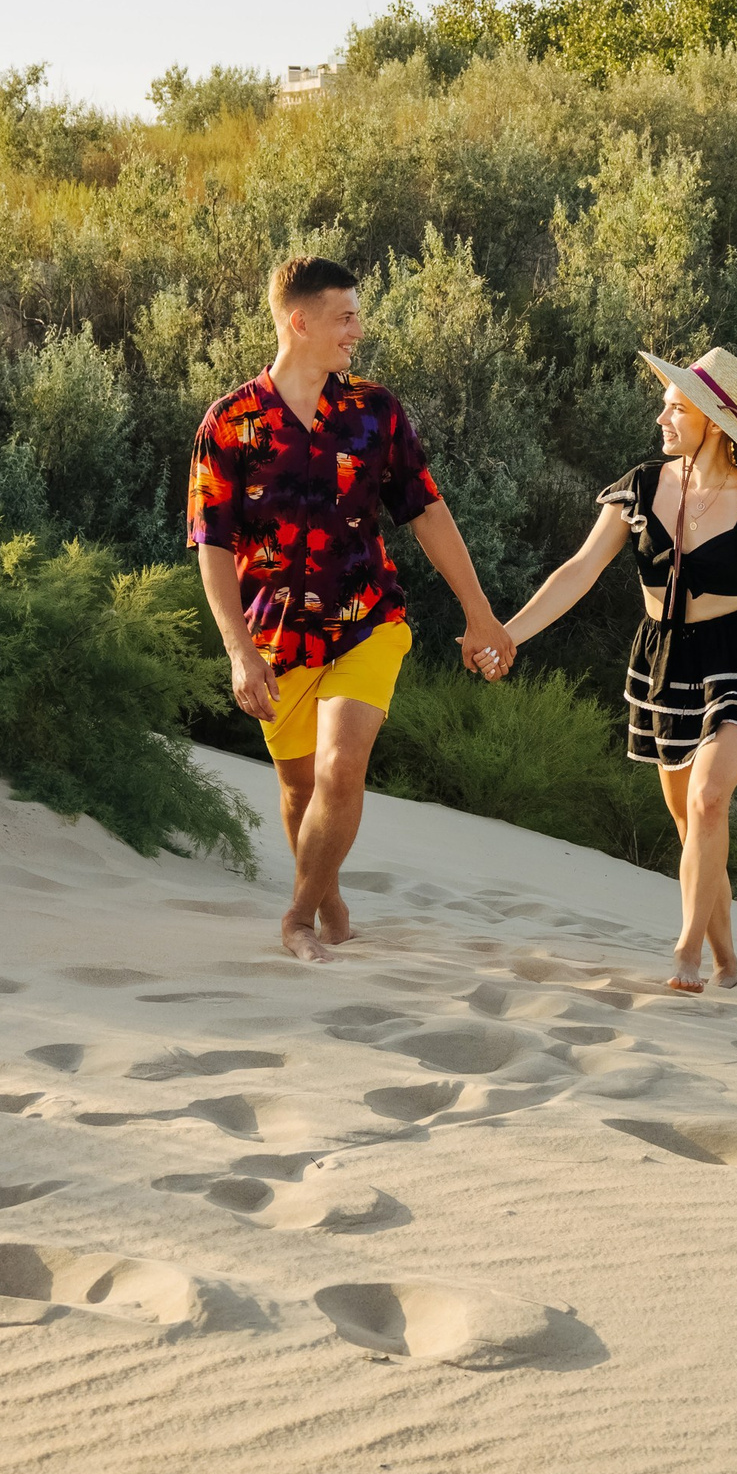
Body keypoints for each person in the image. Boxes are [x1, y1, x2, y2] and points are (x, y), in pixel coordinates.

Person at [188, 256, 516, 963]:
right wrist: (239, 651)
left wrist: (479, 613)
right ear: (299, 322)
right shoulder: (231, 423)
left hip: (368, 618)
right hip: (274, 634)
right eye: (345, 316)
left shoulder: (374, 411)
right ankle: (329, 903)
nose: (357, 331)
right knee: (299, 787)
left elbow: (425, 510)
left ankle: (298, 918)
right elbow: (211, 546)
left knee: (341, 768)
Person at [490, 348, 737, 992]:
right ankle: (728, 962)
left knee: (709, 798)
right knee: (692, 822)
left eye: (676, 406)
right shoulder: (641, 486)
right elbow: (579, 571)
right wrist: (509, 634)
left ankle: (686, 951)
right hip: (667, 660)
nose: (661, 415)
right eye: (665, 402)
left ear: (715, 421)